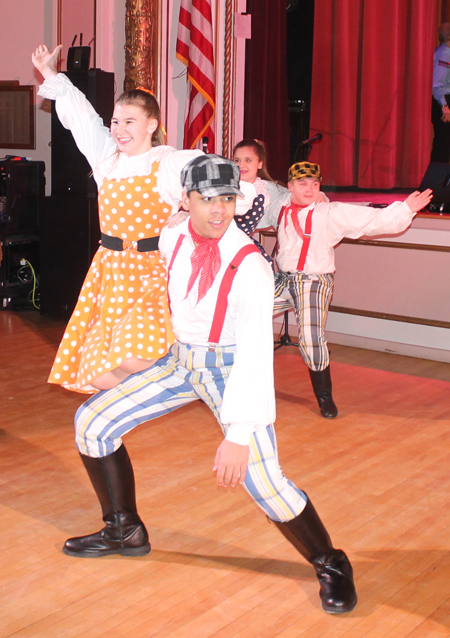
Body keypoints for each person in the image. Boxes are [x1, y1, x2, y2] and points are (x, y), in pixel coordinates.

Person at [62, 154, 358, 615]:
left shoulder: (251, 268)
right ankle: (124, 529)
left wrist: (238, 437)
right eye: (207, 199)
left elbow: (257, 357)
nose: (219, 210)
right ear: (185, 200)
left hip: (231, 368)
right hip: (179, 361)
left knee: (265, 482)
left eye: (227, 199)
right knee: (92, 423)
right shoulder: (173, 234)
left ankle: (331, 562)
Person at [31, 44, 203, 392]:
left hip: (151, 272)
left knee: (133, 356)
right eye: (115, 121)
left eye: (129, 121)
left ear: (151, 124)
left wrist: (186, 215)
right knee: (95, 375)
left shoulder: (166, 162)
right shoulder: (107, 158)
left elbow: (215, 182)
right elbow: (81, 117)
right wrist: (49, 73)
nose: (119, 129)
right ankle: (122, 416)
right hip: (109, 271)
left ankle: (176, 376)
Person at [259, 161, 433, 419]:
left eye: (315, 184)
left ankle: (324, 397)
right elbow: (254, 210)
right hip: (284, 281)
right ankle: (237, 381)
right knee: (246, 315)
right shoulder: (280, 206)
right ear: (291, 186)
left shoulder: (330, 212)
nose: (310, 189)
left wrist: (405, 209)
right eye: (303, 184)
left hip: (314, 282)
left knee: (310, 338)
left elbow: (370, 221)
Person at [431, 23, 450, 163]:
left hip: (444, 101)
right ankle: (436, 182)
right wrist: (444, 106)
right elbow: (437, 83)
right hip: (443, 102)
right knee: (443, 143)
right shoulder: (445, 53)